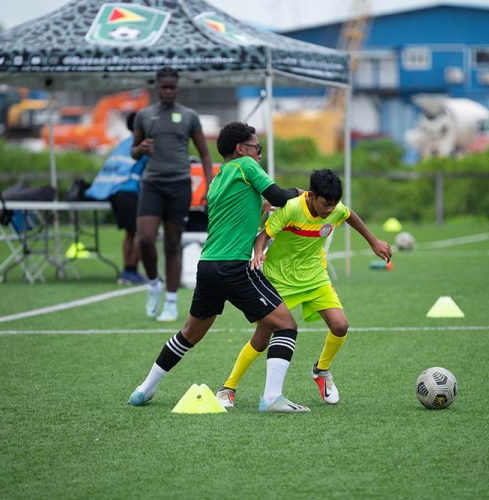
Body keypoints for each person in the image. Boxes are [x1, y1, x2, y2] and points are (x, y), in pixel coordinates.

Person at [128, 121, 311, 413]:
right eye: (257, 148)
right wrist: (302, 193)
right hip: (234, 266)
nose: (259, 155)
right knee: (286, 326)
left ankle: (143, 390)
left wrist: (259, 208)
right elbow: (278, 196)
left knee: (189, 333)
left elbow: (237, 214)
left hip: (208, 266)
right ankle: (272, 398)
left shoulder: (217, 178)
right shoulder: (246, 167)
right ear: (241, 149)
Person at [215, 169, 392, 408]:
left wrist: (374, 241)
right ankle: (228, 387)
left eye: (334, 204)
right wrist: (258, 254)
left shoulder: (335, 209)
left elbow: (350, 215)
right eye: (325, 204)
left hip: (315, 277)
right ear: (311, 196)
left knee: (340, 326)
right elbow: (263, 236)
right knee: (261, 338)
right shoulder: (292, 209)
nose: (330, 210)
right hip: (279, 279)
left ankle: (321, 371)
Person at [132, 68, 213, 322]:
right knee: (144, 239)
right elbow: (133, 152)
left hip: (179, 184)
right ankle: (154, 283)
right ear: (157, 87)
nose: (168, 91)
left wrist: (211, 187)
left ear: (177, 88)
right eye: (163, 87)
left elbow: (205, 154)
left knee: (171, 243)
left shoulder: (189, 116)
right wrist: (140, 148)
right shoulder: (144, 116)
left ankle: (170, 301)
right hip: (152, 183)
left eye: (172, 87)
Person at [84, 112, 147, 285]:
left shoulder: (123, 144)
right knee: (142, 233)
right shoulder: (143, 144)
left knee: (131, 233)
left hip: (115, 193)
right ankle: (130, 271)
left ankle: (129, 271)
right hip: (128, 192)